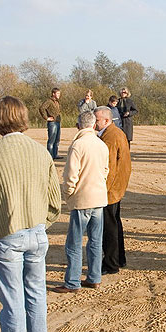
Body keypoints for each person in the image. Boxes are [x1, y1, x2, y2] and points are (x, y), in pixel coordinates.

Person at [0, 96, 61, 332]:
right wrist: (42, 224)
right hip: (37, 232)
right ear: (23, 117)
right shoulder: (41, 152)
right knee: (36, 293)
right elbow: (54, 201)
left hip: (6, 235)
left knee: (12, 299)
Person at [53, 111, 109, 293]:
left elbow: (70, 175)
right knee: (95, 241)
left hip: (82, 200)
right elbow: (106, 170)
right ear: (93, 125)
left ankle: (72, 282)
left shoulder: (78, 145)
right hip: (99, 198)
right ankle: (94, 277)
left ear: (78, 125)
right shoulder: (101, 145)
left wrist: (68, 194)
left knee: (74, 243)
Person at [94, 107, 132, 274]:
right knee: (115, 225)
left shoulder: (110, 136)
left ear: (106, 121)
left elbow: (108, 166)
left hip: (110, 190)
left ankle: (111, 264)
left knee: (109, 228)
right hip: (116, 188)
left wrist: (103, 190)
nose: (94, 123)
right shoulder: (113, 133)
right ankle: (119, 258)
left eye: (97, 120)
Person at [38, 87, 62, 159]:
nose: (59, 95)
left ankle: (55, 155)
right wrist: (46, 118)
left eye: (59, 93)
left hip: (57, 122)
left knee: (57, 140)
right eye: (57, 93)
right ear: (53, 94)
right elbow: (42, 108)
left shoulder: (57, 102)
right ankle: (50, 157)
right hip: (52, 123)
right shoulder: (49, 101)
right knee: (51, 140)